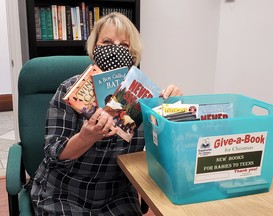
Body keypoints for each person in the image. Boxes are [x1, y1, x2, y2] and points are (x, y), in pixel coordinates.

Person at [30, 12, 183, 215]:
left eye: (125, 45)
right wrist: (86, 137)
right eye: (107, 42)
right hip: (64, 191)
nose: (115, 50)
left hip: (115, 194)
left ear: (134, 55)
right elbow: (54, 155)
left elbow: (166, 151)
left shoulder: (144, 97)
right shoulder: (70, 89)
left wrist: (173, 108)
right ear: (94, 49)